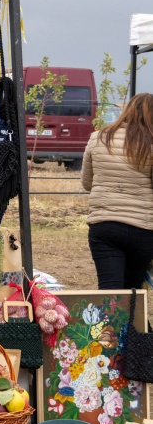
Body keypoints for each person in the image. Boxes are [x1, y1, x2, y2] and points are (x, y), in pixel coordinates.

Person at [81, 93, 153, 290]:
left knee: (109, 290)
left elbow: (87, 183)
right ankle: (133, 321)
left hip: (104, 225)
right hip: (142, 228)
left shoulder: (98, 137)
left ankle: (110, 321)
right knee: (133, 290)